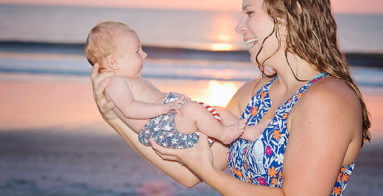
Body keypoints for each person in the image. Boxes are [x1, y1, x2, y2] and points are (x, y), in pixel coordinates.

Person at [90, 0, 371, 195]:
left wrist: (210, 174)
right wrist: (116, 118)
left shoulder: (329, 98)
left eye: (249, 14)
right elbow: (189, 171)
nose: (239, 27)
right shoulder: (251, 95)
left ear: (288, 15)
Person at [84, 21, 269, 148]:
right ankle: (224, 135)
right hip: (159, 128)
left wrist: (171, 99)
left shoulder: (131, 80)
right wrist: (164, 108)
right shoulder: (115, 83)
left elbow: (154, 97)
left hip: (167, 119)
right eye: (137, 51)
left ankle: (249, 133)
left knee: (217, 110)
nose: (144, 54)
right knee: (195, 111)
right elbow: (130, 109)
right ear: (114, 62)